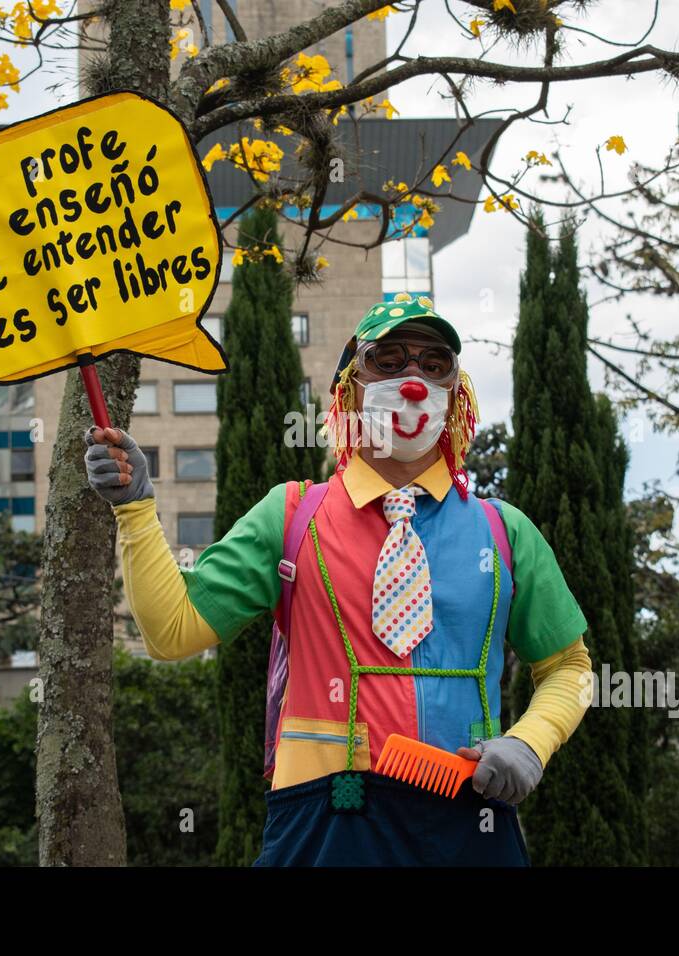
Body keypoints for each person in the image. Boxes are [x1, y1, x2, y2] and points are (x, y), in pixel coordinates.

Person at [85, 292, 593, 866]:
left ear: (456, 393)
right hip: (325, 826)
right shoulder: (292, 514)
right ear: (350, 386)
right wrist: (135, 508)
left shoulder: (504, 531)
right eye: (389, 359)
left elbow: (569, 668)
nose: (412, 379)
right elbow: (171, 631)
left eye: (434, 364)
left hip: (469, 818)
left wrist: (531, 741)